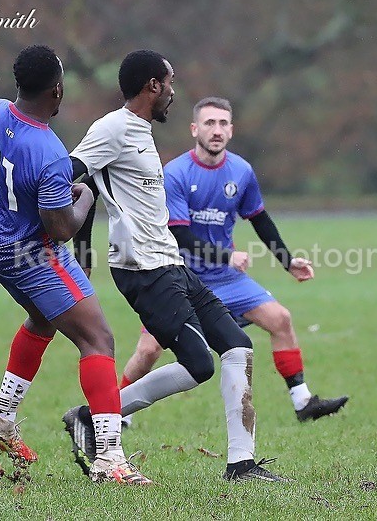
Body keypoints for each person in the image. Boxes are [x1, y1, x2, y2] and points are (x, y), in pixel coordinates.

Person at [0, 45, 150, 485]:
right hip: (31, 253)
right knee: (98, 338)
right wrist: (85, 198)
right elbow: (61, 228)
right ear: (57, 91)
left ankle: (2, 418)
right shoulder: (49, 152)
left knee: (43, 319)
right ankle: (109, 459)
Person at [62, 50, 285, 482]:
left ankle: (241, 464)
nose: (173, 91)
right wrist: (82, 253)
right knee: (199, 365)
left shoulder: (141, 131)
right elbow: (73, 177)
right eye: (170, 82)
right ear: (152, 86)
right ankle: (94, 416)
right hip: (142, 270)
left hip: (171, 263)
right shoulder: (113, 127)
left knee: (238, 346)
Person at [78, 97, 349, 427]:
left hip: (228, 279)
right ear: (195, 129)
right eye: (209, 123)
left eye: (223, 124)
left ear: (231, 130)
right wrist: (227, 255)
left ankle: (302, 401)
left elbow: (259, 218)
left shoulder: (241, 171)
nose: (216, 130)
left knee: (280, 319)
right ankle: (115, 411)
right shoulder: (175, 174)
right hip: (182, 279)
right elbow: (179, 235)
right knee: (148, 351)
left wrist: (287, 260)